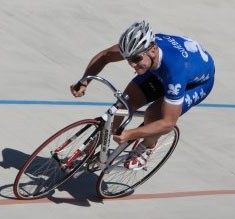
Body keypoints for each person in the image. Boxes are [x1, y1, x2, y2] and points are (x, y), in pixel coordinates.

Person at [70, 20, 215, 169]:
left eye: (135, 59)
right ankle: (90, 150)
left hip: (194, 84)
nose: (132, 65)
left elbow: (168, 123)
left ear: (152, 49)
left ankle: (148, 146)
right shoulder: (139, 48)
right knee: (123, 104)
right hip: (163, 67)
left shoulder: (175, 73)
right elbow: (106, 55)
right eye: (128, 59)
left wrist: (131, 134)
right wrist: (84, 81)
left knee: (153, 115)